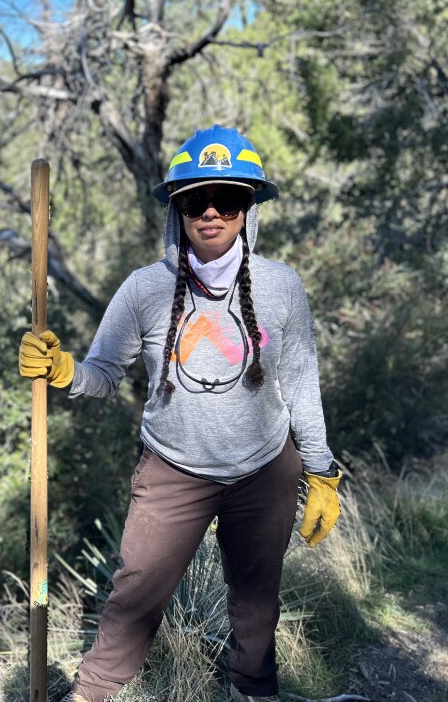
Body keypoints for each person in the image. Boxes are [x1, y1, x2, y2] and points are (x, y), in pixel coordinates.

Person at [18, 125, 343, 702]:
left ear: (249, 208)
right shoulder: (145, 289)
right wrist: (64, 371)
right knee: (136, 591)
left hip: (265, 469)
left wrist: (320, 469)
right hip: (173, 468)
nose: (211, 212)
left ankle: (253, 689)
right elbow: (103, 373)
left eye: (230, 199)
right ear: (178, 210)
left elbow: (300, 384)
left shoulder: (281, 286)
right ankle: (90, 693)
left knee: (256, 595)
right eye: (196, 199)